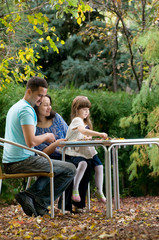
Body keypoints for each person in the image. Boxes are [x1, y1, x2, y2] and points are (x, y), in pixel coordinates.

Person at [2, 77, 76, 217]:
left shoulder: (17, 106)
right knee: (70, 169)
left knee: (55, 166)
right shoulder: (26, 110)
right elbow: (31, 142)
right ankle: (38, 201)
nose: (42, 99)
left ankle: (31, 198)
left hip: (14, 161)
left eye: (43, 95)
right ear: (29, 91)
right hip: (19, 162)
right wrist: (47, 136)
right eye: (39, 95)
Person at [34, 94, 92, 212]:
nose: (49, 107)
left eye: (50, 104)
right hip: (47, 157)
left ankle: (78, 205)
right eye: (45, 105)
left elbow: (69, 135)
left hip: (65, 152)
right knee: (70, 166)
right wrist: (56, 144)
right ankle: (65, 206)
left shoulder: (56, 118)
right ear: (37, 107)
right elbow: (41, 152)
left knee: (85, 162)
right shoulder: (33, 125)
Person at [65, 96, 108, 203]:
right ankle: (75, 189)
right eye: (84, 109)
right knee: (83, 164)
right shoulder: (76, 120)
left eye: (88, 109)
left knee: (99, 166)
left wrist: (90, 137)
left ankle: (99, 191)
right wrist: (100, 134)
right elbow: (82, 131)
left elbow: (85, 135)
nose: (86, 112)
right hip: (76, 151)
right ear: (77, 110)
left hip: (88, 150)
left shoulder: (85, 122)